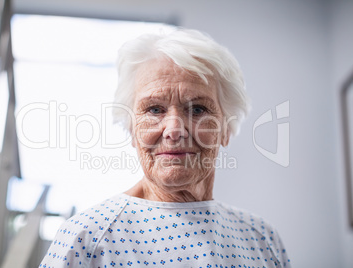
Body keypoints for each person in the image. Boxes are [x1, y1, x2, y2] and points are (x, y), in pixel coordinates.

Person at [39, 28, 290, 268]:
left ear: (226, 129)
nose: (174, 129)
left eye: (198, 109)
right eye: (154, 109)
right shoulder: (87, 238)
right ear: (131, 130)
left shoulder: (262, 238)